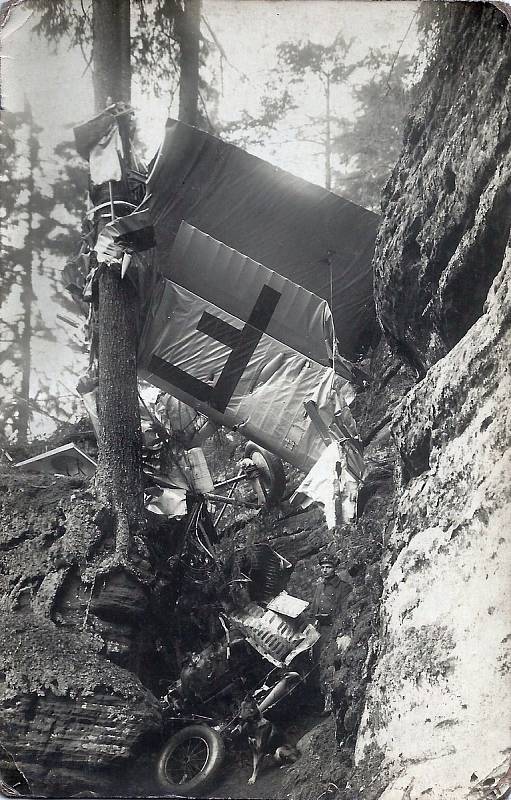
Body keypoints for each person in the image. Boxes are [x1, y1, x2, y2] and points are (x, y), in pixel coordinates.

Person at [309, 553, 352, 712]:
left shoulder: (343, 587)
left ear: (335, 568)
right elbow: (314, 609)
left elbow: (345, 611)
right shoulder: (320, 587)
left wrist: (337, 626)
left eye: (328, 567)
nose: (325, 570)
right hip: (321, 631)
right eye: (323, 567)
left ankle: (333, 703)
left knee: (332, 664)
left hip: (334, 630)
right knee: (320, 665)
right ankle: (323, 701)